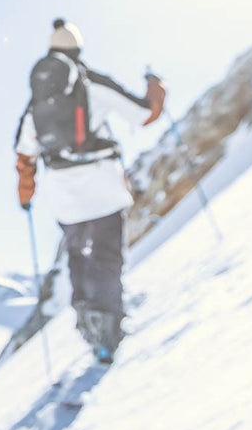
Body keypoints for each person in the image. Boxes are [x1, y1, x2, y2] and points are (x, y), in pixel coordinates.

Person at [14, 19, 164, 363]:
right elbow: (144, 114)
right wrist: (156, 86)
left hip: (63, 197)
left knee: (77, 257)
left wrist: (26, 195)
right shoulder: (91, 83)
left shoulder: (37, 104)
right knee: (106, 259)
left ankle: (86, 321)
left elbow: (25, 154)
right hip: (102, 189)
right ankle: (107, 334)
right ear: (77, 50)